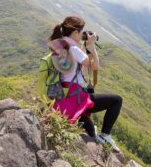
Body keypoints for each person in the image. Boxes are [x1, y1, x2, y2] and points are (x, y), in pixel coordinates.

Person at [48, 15, 123, 152]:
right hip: (77, 96)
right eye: (81, 32)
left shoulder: (60, 45)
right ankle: (105, 135)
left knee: (90, 131)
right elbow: (94, 66)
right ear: (75, 32)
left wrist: (83, 46)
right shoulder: (73, 49)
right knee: (117, 100)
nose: (82, 35)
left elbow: (78, 67)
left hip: (65, 94)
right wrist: (92, 45)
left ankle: (95, 138)